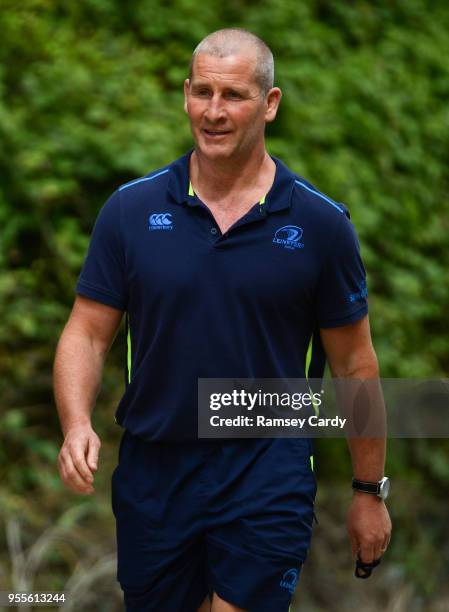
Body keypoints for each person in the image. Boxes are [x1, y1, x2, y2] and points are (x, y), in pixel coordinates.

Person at [54, 28, 392, 612]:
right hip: (154, 470)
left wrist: (369, 490)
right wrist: (76, 421)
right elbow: (86, 331)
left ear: (270, 103)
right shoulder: (131, 211)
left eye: (232, 95)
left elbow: (355, 365)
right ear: (185, 94)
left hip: (268, 464)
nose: (213, 112)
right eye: (201, 92)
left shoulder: (321, 225)